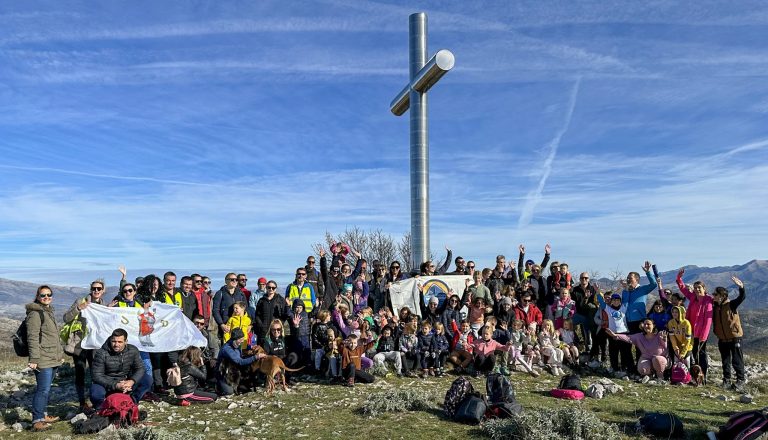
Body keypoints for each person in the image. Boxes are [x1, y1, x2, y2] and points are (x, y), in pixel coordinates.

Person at [63, 279, 106, 413]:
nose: (96, 291)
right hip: (80, 345)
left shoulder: (104, 305)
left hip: (96, 346)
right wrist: (78, 309)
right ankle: (82, 402)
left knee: (96, 373)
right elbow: (66, 318)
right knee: (80, 372)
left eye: (99, 288)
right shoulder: (80, 302)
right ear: (90, 289)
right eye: (94, 288)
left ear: (103, 290)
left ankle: (96, 400)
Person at [26, 285, 63, 432]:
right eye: (43, 295)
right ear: (37, 296)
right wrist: (34, 359)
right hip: (42, 358)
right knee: (42, 390)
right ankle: (37, 420)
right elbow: (32, 337)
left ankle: (43, 414)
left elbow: (51, 338)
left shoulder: (47, 311)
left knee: (46, 390)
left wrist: (59, 356)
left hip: (52, 357)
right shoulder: (35, 314)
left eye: (49, 294)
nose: (46, 297)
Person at [90, 328, 152, 409]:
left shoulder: (132, 350)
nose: (116, 344)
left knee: (147, 379)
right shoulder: (101, 353)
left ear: (126, 342)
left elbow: (140, 368)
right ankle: (102, 408)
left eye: (120, 342)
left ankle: (133, 401)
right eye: (114, 341)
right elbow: (96, 375)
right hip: (107, 383)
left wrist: (132, 381)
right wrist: (115, 385)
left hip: (125, 382)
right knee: (95, 391)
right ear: (110, 340)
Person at [676, 267, 713, 384]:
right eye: (695, 288)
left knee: (701, 354)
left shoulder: (708, 300)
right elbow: (682, 289)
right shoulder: (692, 297)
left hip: (701, 333)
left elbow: (708, 320)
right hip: (691, 331)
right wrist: (679, 278)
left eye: (699, 288)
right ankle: (695, 377)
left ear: (704, 289)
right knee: (693, 354)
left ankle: (703, 377)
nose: (697, 290)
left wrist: (704, 335)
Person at [606, 318, 668, 384]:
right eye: (645, 324)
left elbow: (665, 348)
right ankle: (650, 375)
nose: (646, 326)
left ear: (654, 325)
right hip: (646, 358)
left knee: (657, 360)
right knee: (643, 370)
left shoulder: (659, 335)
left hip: (660, 358)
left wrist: (664, 340)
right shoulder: (639, 336)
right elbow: (627, 337)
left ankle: (660, 377)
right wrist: (616, 335)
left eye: (648, 324)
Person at [713, 276, 747, 390]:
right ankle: (726, 380)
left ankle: (740, 381)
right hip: (722, 339)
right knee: (725, 361)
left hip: (735, 338)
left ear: (722, 296)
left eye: (716, 294)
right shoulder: (715, 307)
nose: (714, 296)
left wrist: (741, 287)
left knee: (737, 360)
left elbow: (742, 297)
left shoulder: (731, 305)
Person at [215, 327, 263, 396]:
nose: (242, 341)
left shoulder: (238, 344)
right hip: (224, 373)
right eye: (240, 340)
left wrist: (252, 347)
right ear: (234, 340)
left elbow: (247, 346)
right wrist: (256, 357)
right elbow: (239, 361)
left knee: (248, 387)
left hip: (234, 371)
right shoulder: (227, 349)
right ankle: (218, 384)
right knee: (229, 392)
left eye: (243, 339)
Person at [597, 292, 632, 378]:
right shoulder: (608, 309)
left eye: (618, 300)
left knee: (625, 352)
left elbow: (626, 298)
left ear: (620, 301)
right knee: (613, 352)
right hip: (612, 334)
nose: (616, 301)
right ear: (611, 301)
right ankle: (614, 368)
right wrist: (598, 292)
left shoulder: (623, 307)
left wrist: (625, 288)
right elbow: (601, 302)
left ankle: (624, 368)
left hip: (624, 334)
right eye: (614, 300)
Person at [212, 273, 247, 339]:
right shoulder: (220, 293)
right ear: (226, 281)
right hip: (226, 326)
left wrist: (249, 324)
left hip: (239, 326)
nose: (234, 281)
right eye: (232, 279)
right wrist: (221, 324)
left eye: (236, 280)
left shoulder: (241, 293)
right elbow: (215, 310)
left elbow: (246, 309)